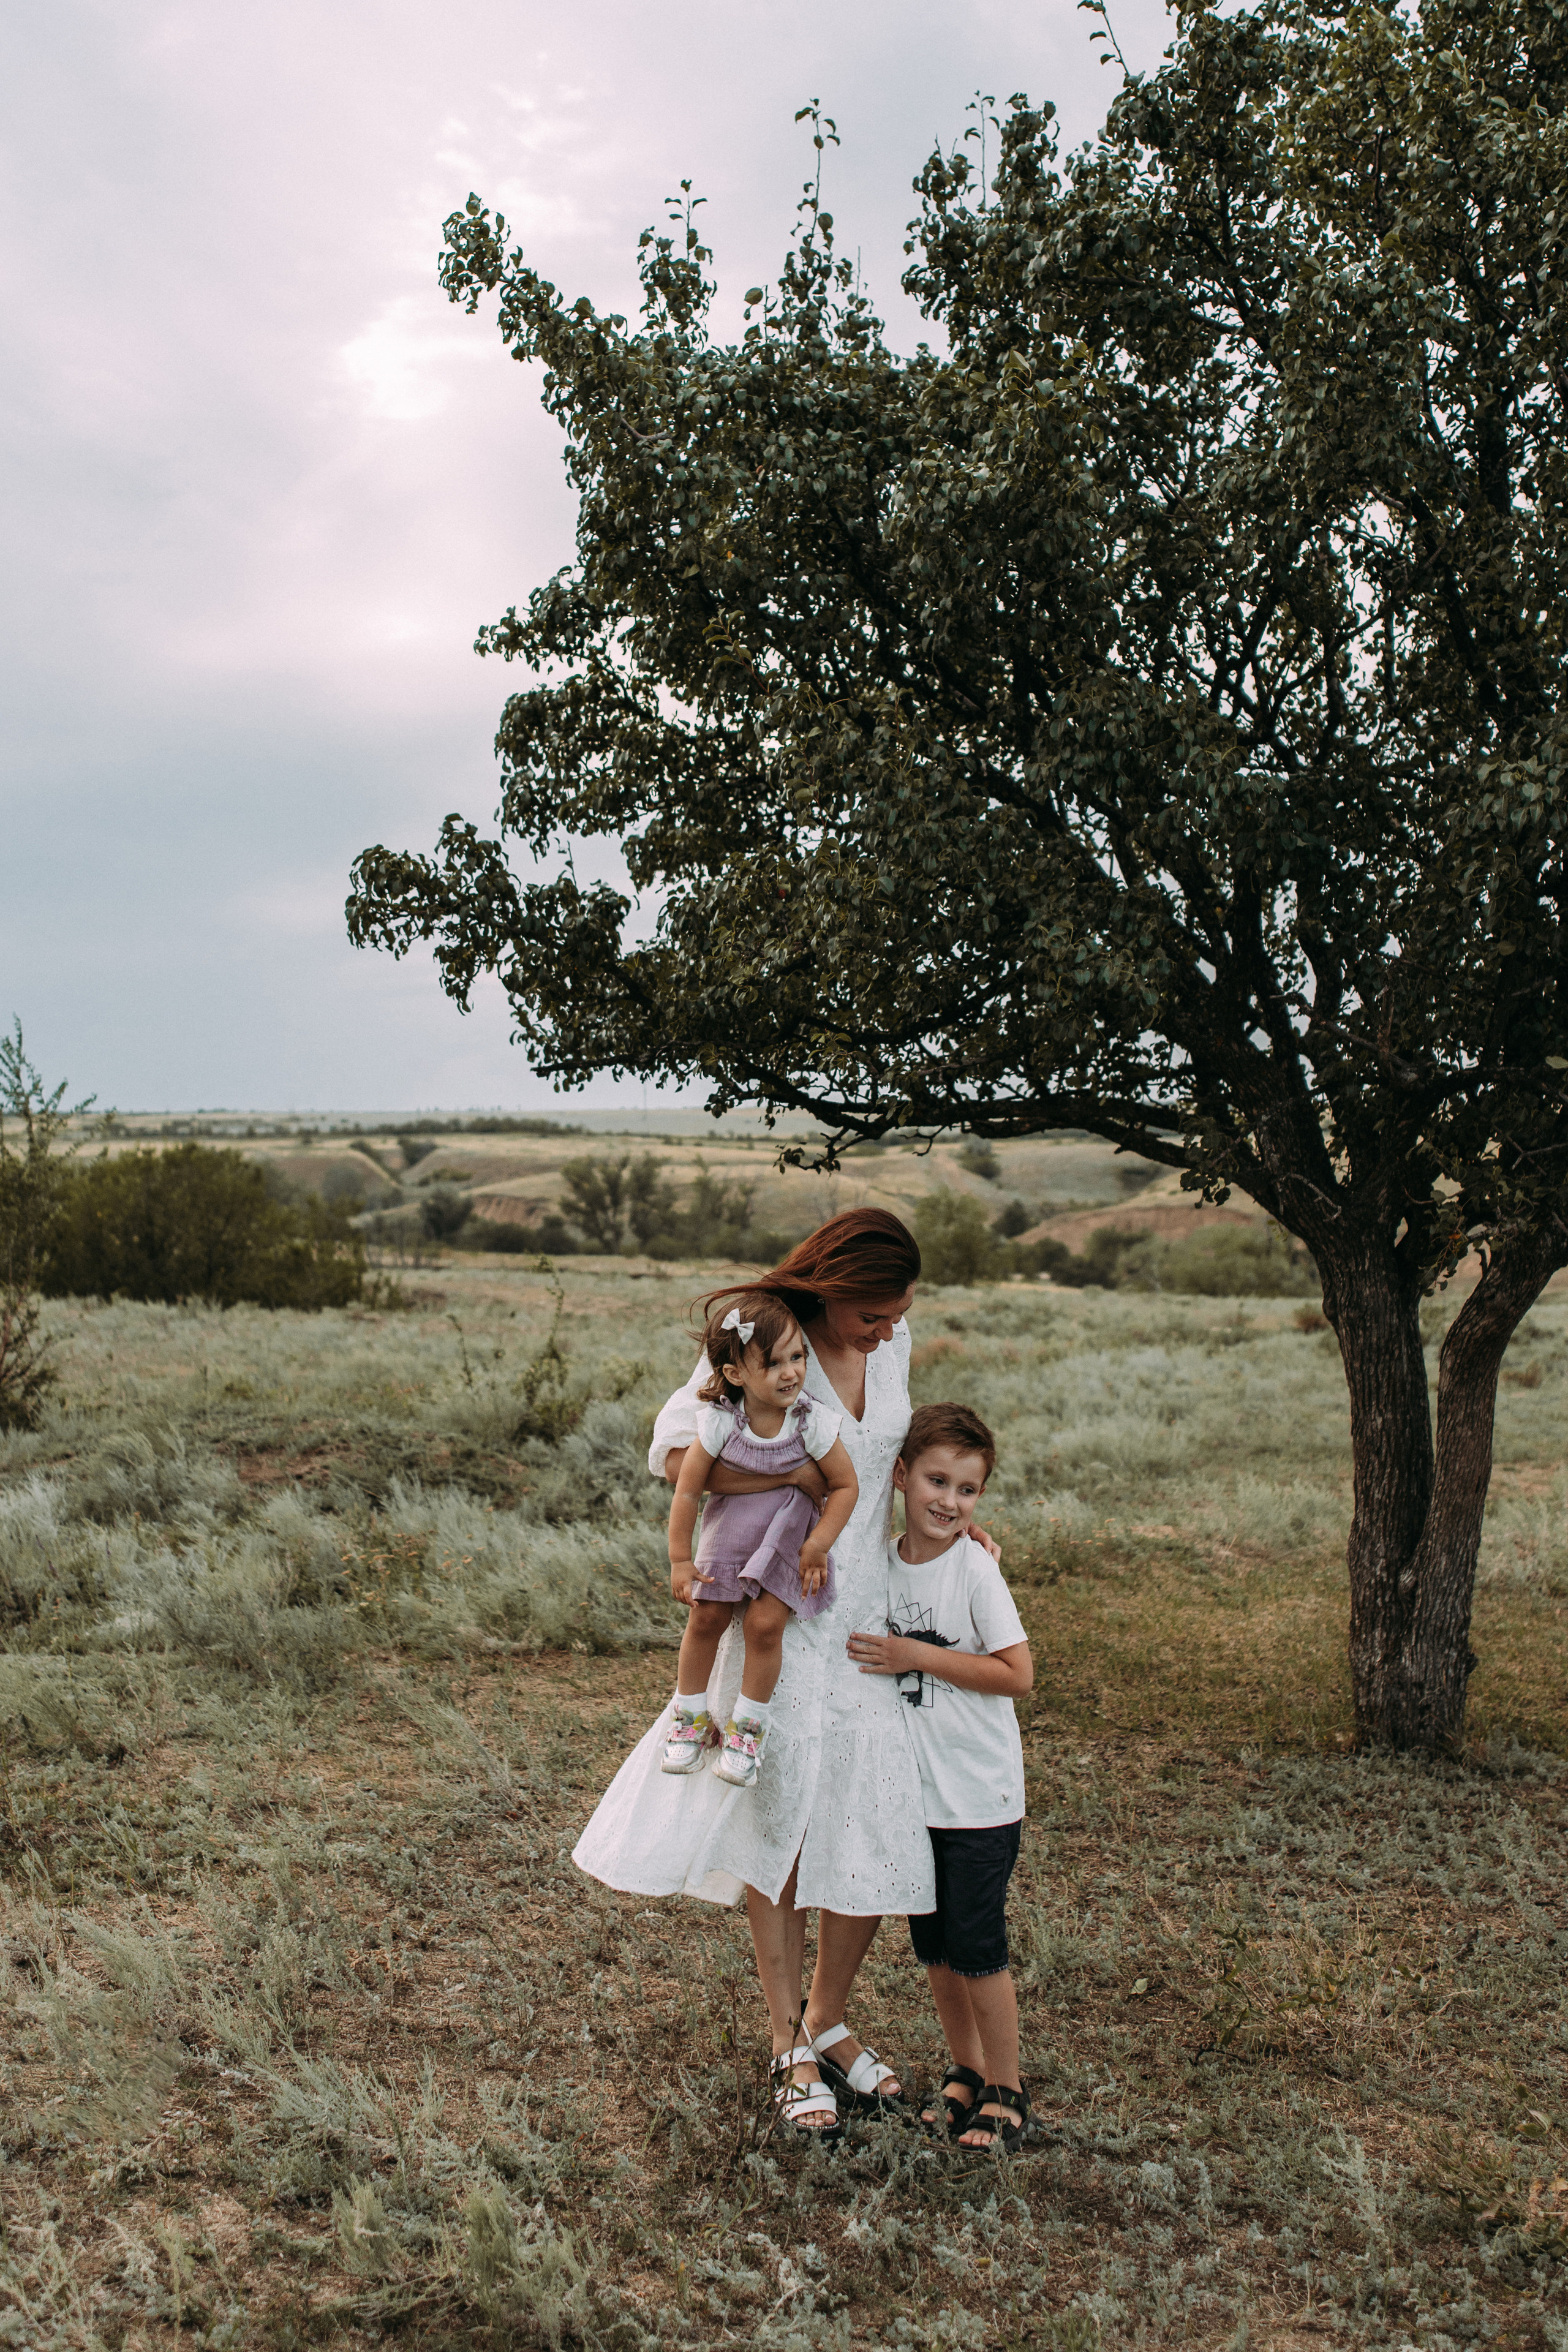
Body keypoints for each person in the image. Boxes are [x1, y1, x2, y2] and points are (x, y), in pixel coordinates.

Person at [574, 1207, 997, 2138]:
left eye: (897, 1318)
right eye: (872, 1315)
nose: (885, 1333)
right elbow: (684, 1457)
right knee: (783, 1820)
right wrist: (803, 1482)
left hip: (868, 1616)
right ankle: (785, 2040)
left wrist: (945, 1521)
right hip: (782, 1611)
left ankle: (829, 2015)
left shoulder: (889, 1347)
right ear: (832, 1284)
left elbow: (883, 1461)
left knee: (867, 1817)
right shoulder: (767, 1334)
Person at [846, 1403, 1033, 2152]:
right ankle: (965, 2067)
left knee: (979, 1945)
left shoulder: (974, 1568)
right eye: (935, 1480)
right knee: (934, 1945)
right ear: (899, 1475)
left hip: (980, 1796)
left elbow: (1016, 1674)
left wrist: (915, 1654)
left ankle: (1008, 2088)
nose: (949, 1502)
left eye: (968, 1490)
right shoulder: (880, 1564)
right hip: (915, 1797)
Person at [663, 1291, 858, 1789]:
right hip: (730, 1532)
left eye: (798, 1357)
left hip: (790, 1538)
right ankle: (689, 1721)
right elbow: (688, 1491)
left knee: (766, 1626)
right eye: (774, 1363)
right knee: (706, 1615)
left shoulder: (811, 1422)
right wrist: (680, 1559)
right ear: (736, 1375)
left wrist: (818, 1544)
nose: (791, 1372)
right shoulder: (720, 1421)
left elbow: (845, 1485)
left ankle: (747, 1734)